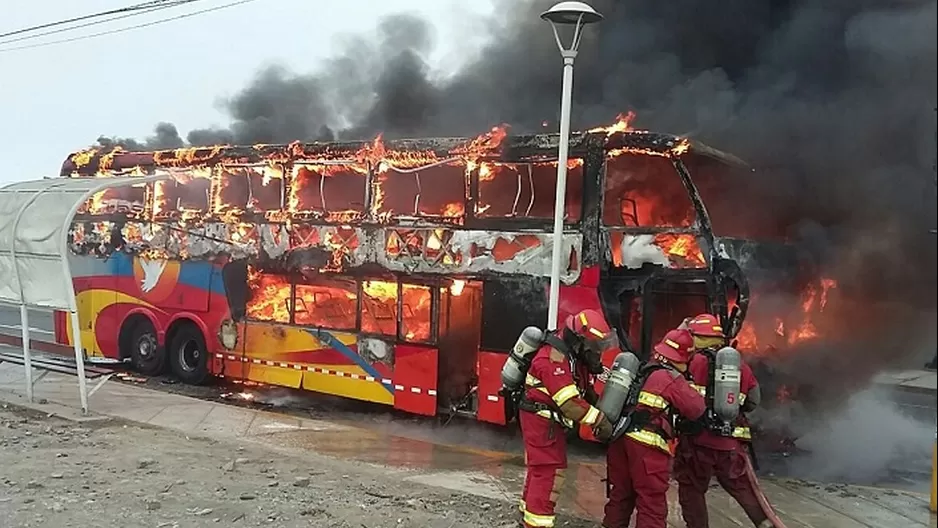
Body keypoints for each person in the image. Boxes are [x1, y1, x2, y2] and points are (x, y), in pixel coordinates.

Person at [518, 309, 617, 528]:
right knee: (549, 472)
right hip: (541, 421)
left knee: (540, 470)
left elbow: (582, 390)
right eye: (595, 347)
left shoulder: (572, 354)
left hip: (546, 421)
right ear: (580, 341)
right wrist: (600, 420)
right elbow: (570, 404)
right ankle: (537, 523)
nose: (597, 353)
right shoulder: (553, 360)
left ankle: (527, 512)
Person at [675, 313, 773, 528]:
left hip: (697, 442)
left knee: (692, 489)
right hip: (729, 444)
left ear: (699, 337)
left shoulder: (691, 362)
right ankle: (766, 523)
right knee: (742, 488)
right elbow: (753, 401)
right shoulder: (738, 364)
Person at [602, 328, 707, 528]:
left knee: (620, 497)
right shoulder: (670, 377)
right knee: (652, 503)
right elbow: (697, 409)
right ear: (684, 356)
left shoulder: (642, 369)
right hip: (647, 448)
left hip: (620, 440)